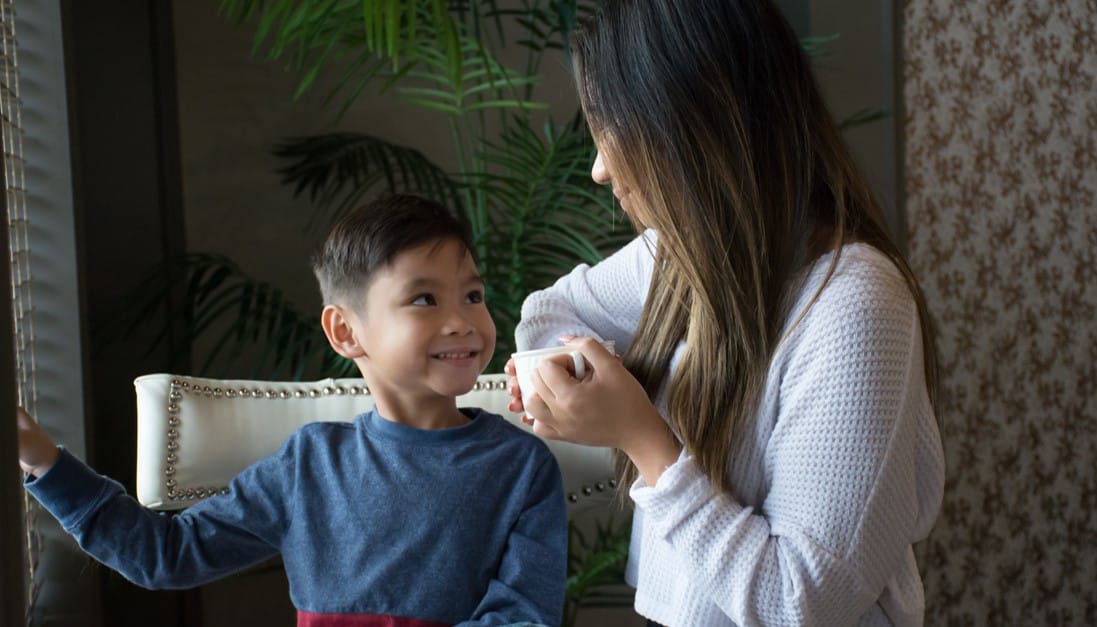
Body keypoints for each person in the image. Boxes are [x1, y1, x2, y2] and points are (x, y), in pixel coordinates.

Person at [506, 1, 945, 625]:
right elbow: (550, 311)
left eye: (609, 129)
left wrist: (641, 435)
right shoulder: (681, 256)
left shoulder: (856, 306)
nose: (600, 170)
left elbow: (798, 603)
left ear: (688, 123)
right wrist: (572, 373)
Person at [17, 194, 567, 626]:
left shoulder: (522, 466)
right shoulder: (309, 463)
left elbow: (523, 616)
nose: (462, 322)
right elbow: (166, 555)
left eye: (472, 296)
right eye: (424, 299)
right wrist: (42, 461)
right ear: (345, 331)